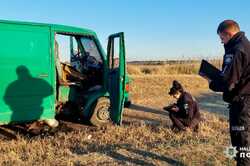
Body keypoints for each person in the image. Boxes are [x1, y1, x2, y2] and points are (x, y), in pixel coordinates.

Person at [209, 20, 250, 165]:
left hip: (242, 103)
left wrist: (212, 83)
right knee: (241, 136)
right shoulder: (246, 45)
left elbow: (229, 81)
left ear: (228, 33)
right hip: (243, 100)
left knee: (241, 139)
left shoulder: (237, 50)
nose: (222, 42)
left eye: (222, 38)